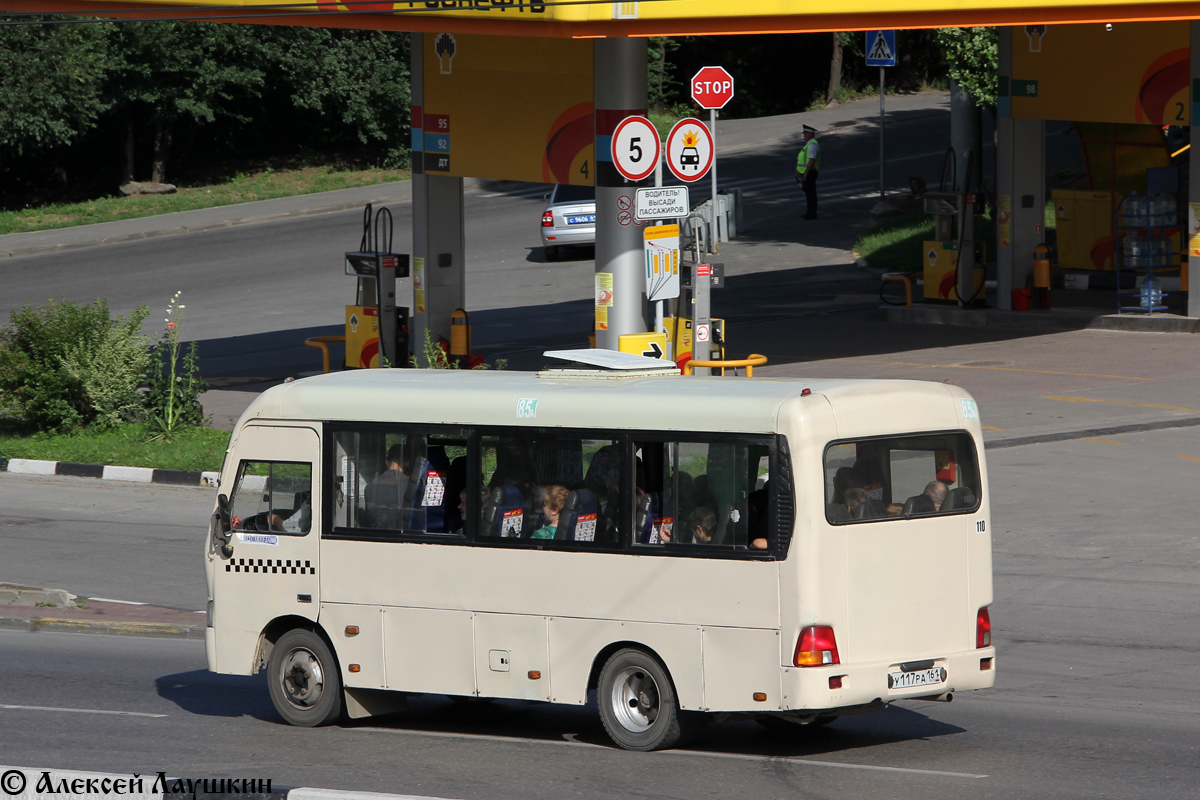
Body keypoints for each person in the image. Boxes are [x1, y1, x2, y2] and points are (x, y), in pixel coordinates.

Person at [366, 444, 414, 529]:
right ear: (407, 463)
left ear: (386, 461)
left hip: (375, 536)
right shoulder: (411, 486)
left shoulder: (370, 486)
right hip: (402, 538)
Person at [795, 124, 821, 220]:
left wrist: (805, 173)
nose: (804, 135)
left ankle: (812, 213)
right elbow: (804, 160)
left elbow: (811, 160)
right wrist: (799, 172)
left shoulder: (813, 145)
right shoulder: (808, 144)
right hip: (807, 172)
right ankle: (809, 212)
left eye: (805, 133)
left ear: (810, 134)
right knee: (808, 193)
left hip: (810, 172)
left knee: (810, 193)